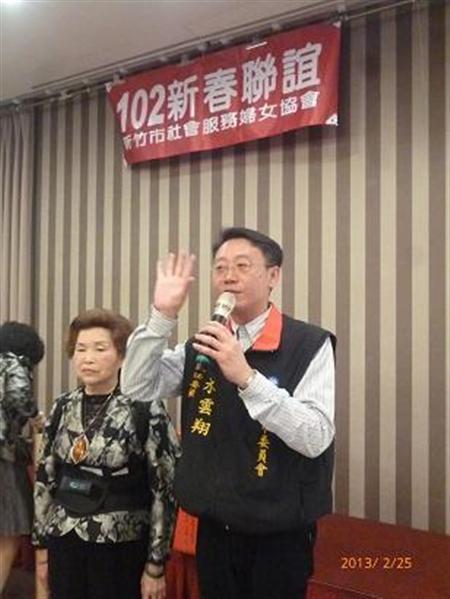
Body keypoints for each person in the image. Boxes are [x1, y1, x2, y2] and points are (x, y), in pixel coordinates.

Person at [121, 227, 336, 599]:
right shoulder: (203, 344)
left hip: (279, 531)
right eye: (220, 267)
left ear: (273, 276)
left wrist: (247, 378)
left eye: (242, 265)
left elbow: (316, 436)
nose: (228, 276)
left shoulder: (310, 343)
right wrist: (162, 315)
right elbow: (136, 386)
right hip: (215, 523)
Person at [32, 308, 180, 599]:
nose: (87, 358)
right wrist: (41, 548)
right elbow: (44, 476)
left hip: (120, 542)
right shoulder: (63, 406)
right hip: (64, 535)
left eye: (100, 349)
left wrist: (156, 563)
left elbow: (164, 487)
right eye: (80, 349)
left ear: (122, 357)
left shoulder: (144, 407)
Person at [0, 321, 45, 593]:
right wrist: (37, 418)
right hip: (2, 456)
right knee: (11, 529)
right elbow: (19, 395)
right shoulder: (13, 362)